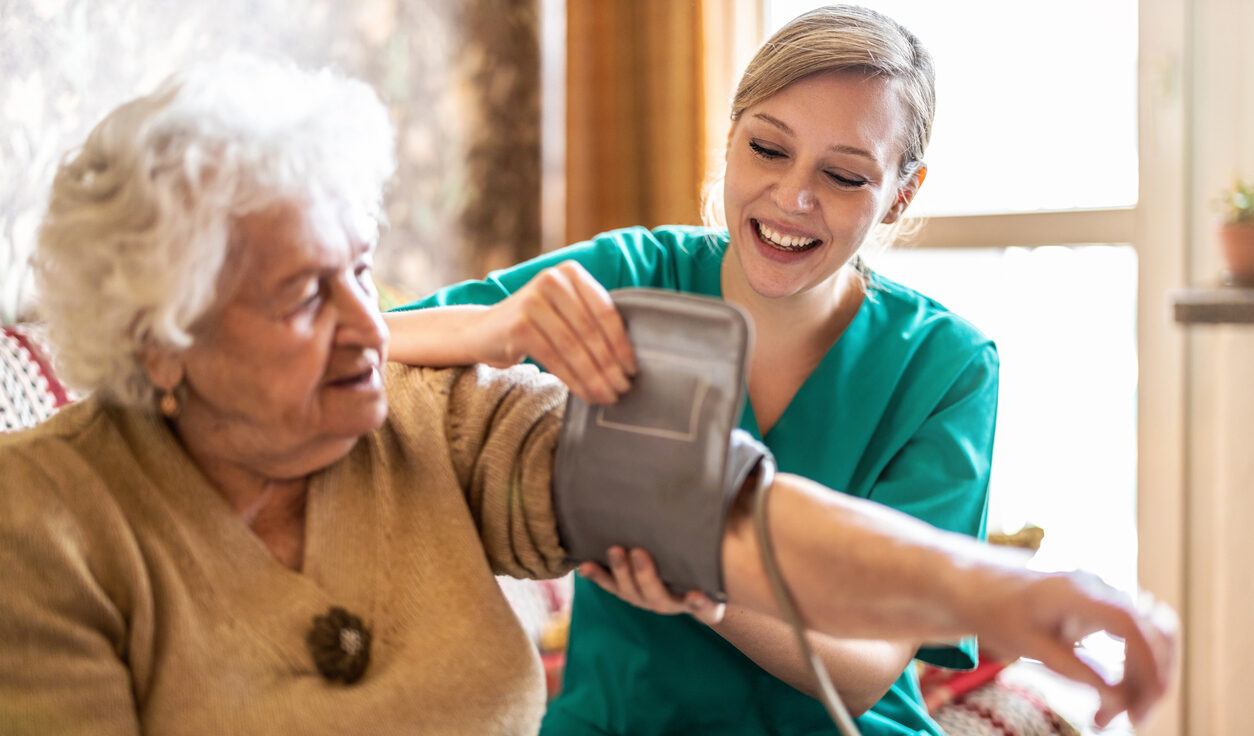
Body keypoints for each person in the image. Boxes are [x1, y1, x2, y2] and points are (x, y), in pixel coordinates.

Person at [0, 57, 1174, 736]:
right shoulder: (47, 523)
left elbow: (722, 512)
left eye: (365, 269)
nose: (371, 328)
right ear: (163, 340)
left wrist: (1005, 585)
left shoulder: (436, 422)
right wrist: (506, 323)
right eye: (311, 296)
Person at [383, 5, 1093, 735]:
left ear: (899, 195)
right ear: (730, 139)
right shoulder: (630, 276)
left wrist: (709, 590)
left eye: (845, 175)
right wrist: (495, 325)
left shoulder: (948, 368)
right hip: (620, 720)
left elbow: (868, 666)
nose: (794, 197)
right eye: (768, 148)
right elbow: (366, 337)